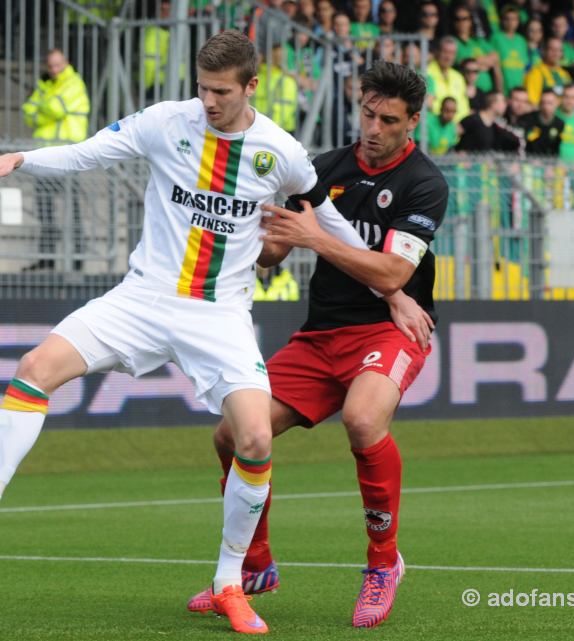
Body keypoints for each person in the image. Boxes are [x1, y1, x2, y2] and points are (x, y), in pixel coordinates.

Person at [0, 31, 416, 636]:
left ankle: (229, 583)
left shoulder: (281, 151)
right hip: (142, 298)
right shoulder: (167, 122)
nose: (209, 102)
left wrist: (394, 291)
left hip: (219, 314)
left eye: (222, 91)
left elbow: (324, 217)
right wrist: (21, 159)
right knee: (36, 367)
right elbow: (89, 151)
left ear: (252, 86)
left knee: (252, 438)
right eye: (202, 88)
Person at [186, 60, 446, 629]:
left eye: (388, 120)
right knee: (231, 436)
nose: (373, 128)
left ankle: (383, 564)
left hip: (388, 332)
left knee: (362, 419)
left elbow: (391, 273)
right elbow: (274, 250)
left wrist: (318, 242)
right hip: (321, 334)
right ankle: (254, 568)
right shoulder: (323, 168)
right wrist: (269, 236)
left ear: (413, 123)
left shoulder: (424, 183)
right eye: (367, 113)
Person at [21, 48, 90, 271]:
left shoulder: (73, 83)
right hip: (44, 157)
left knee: (72, 210)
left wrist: (43, 106)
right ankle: (47, 258)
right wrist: (46, 106)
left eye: (58, 65)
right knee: (44, 209)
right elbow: (27, 112)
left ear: (66, 62)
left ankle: (78, 258)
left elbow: (55, 110)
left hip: (68, 156)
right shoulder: (47, 85)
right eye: (50, 66)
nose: (54, 70)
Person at [455, 90, 521, 152]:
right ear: (493, 104)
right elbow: (452, 135)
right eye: (503, 101)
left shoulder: (495, 126)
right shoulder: (472, 119)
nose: (505, 105)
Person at [426, 37, 470, 121]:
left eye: (452, 53)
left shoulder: (458, 77)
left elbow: (464, 107)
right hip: (434, 125)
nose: (448, 57)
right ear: (437, 52)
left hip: (456, 128)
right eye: (445, 52)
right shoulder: (426, 73)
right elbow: (427, 105)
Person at [490, 4, 529, 95]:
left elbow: (525, 68)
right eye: (507, 19)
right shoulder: (496, 38)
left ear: (518, 21)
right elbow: (496, 67)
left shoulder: (521, 40)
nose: (510, 22)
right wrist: (499, 91)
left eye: (514, 19)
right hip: (504, 91)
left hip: (520, 91)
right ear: (502, 21)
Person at [524, 37, 573, 106]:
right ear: (544, 51)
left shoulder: (565, 74)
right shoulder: (535, 73)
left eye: (559, 50)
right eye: (552, 49)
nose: (556, 53)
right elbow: (532, 103)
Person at [519, 88, 565, 156]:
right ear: (540, 103)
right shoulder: (527, 119)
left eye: (550, 103)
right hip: (527, 160)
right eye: (543, 102)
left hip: (548, 163)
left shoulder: (560, 124)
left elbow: (556, 150)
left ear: (557, 103)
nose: (546, 106)